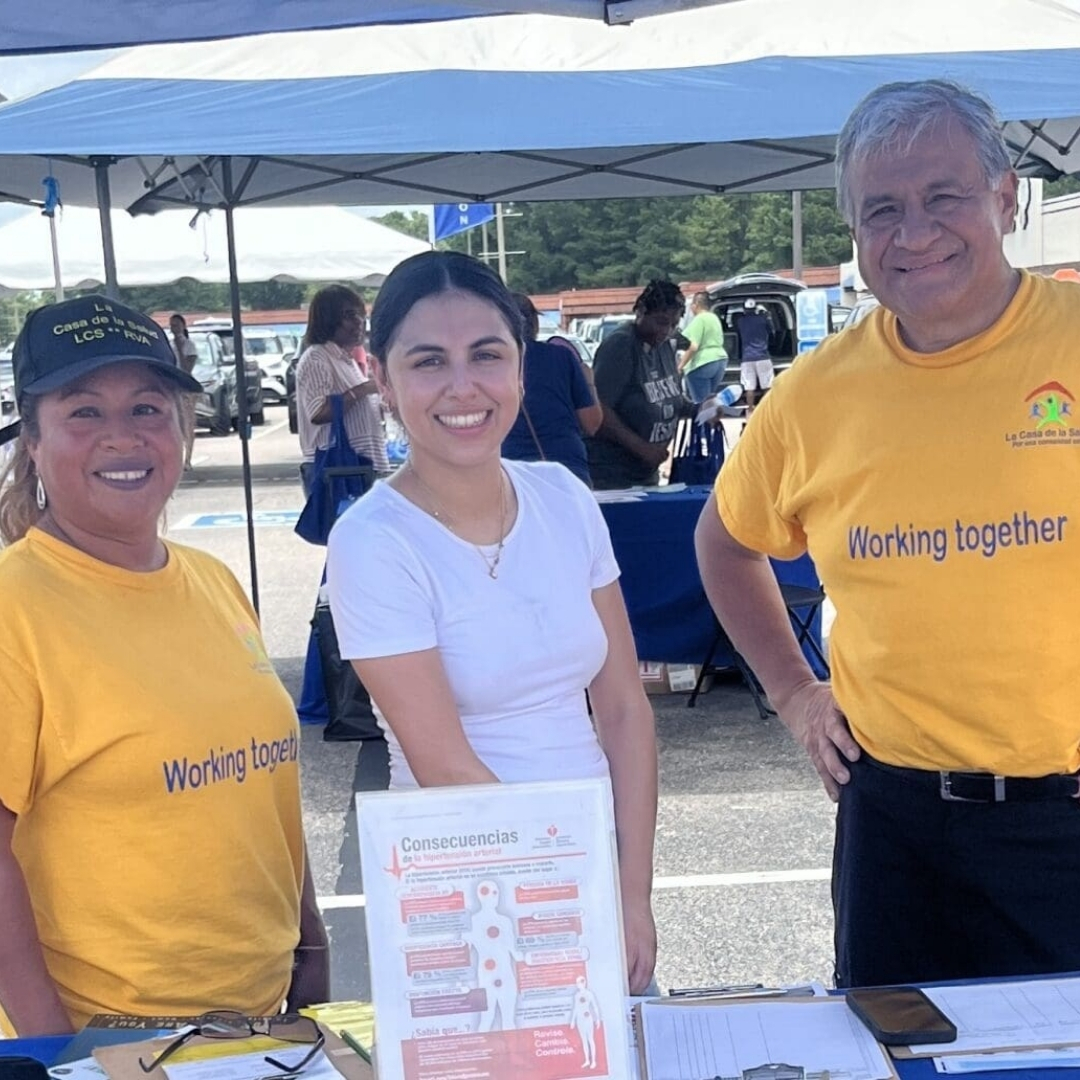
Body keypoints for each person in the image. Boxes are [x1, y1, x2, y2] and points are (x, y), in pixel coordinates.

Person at [695, 77, 1080, 989]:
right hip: (895, 826)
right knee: (895, 1053)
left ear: (1005, 197)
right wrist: (794, 694)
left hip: (1066, 818)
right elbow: (724, 540)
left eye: (943, 197)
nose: (914, 233)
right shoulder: (817, 394)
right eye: (883, 211)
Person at [325, 251, 658, 994]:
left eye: (486, 355)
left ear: (521, 366)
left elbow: (625, 709)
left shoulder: (563, 498)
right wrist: (571, 899)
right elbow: (442, 762)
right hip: (464, 895)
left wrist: (630, 893)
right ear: (382, 376)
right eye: (428, 362)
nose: (462, 386)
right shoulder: (375, 540)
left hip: (589, 866)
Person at [0, 295, 328, 1034]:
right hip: (111, 1034)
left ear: (179, 428)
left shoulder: (213, 581)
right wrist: (58, 1050)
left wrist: (311, 943)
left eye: (148, 408)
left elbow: (262, 780)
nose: (123, 437)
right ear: (33, 438)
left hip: (254, 1023)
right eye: (84, 412)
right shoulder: (15, 608)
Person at [586, 280, 694, 490]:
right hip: (612, 476)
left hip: (646, 474)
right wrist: (642, 448)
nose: (666, 331)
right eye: (661, 322)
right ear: (641, 312)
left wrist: (701, 409)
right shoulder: (621, 345)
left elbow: (668, 397)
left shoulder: (665, 346)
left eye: (673, 325)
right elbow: (599, 410)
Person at [295, 284, 388, 495]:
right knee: (340, 528)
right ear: (328, 319)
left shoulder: (347, 360)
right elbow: (318, 412)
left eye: (362, 315)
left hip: (358, 465)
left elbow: (358, 409)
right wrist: (363, 389)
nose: (359, 322)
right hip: (337, 468)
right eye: (350, 315)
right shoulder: (317, 357)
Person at [501, 293, 602, 485]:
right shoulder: (561, 356)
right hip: (567, 469)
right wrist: (589, 381)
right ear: (535, 322)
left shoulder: (490, 362)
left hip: (512, 473)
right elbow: (592, 423)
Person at [677, 292, 728, 404]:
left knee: (701, 403)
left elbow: (693, 346)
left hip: (702, 363)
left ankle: (703, 420)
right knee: (710, 400)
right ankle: (713, 419)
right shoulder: (714, 318)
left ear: (695, 305)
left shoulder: (699, 320)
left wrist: (680, 366)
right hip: (720, 360)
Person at [169, 313, 199, 469]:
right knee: (175, 424)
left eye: (176, 325)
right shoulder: (169, 345)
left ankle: (188, 459)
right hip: (173, 388)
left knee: (188, 424)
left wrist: (180, 349)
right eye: (172, 325)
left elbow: (187, 369)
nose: (174, 328)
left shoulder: (189, 345)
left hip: (186, 389)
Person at [735, 299, 773, 412]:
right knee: (767, 386)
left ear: (745, 309)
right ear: (755, 308)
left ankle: (750, 409)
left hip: (747, 358)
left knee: (749, 388)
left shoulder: (741, 321)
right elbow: (771, 330)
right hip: (763, 357)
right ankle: (767, 408)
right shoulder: (762, 319)